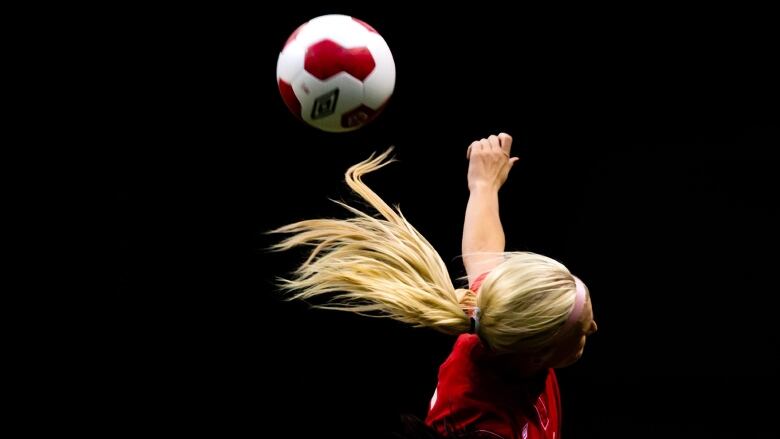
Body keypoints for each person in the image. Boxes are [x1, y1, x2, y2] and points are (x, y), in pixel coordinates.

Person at [270, 133, 598, 439]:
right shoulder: (481, 422)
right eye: (581, 332)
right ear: (537, 353)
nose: (594, 328)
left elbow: (483, 254)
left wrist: (483, 184)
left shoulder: (497, 312)